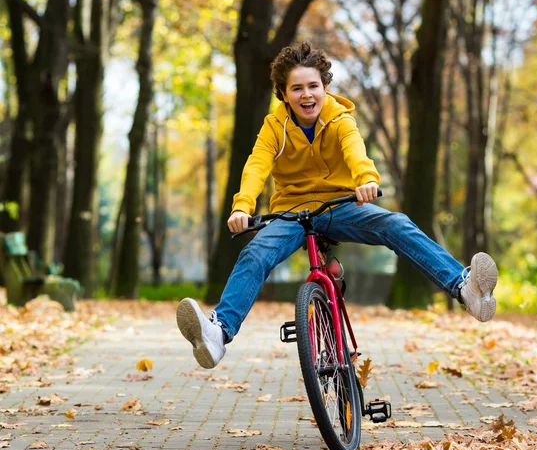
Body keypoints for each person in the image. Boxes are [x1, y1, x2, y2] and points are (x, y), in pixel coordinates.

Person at [176, 42, 498, 369]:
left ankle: (464, 287)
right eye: (297, 88)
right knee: (255, 253)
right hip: (291, 213)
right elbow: (256, 166)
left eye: (313, 86)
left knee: (396, 224)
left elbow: (354, 150)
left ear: (325, 87)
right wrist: (241, 207)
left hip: (339, 206)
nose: (307, 95)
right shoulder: (274, 128)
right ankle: (218, 334)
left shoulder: (340, 119)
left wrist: (365, 180)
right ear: (283, 94)